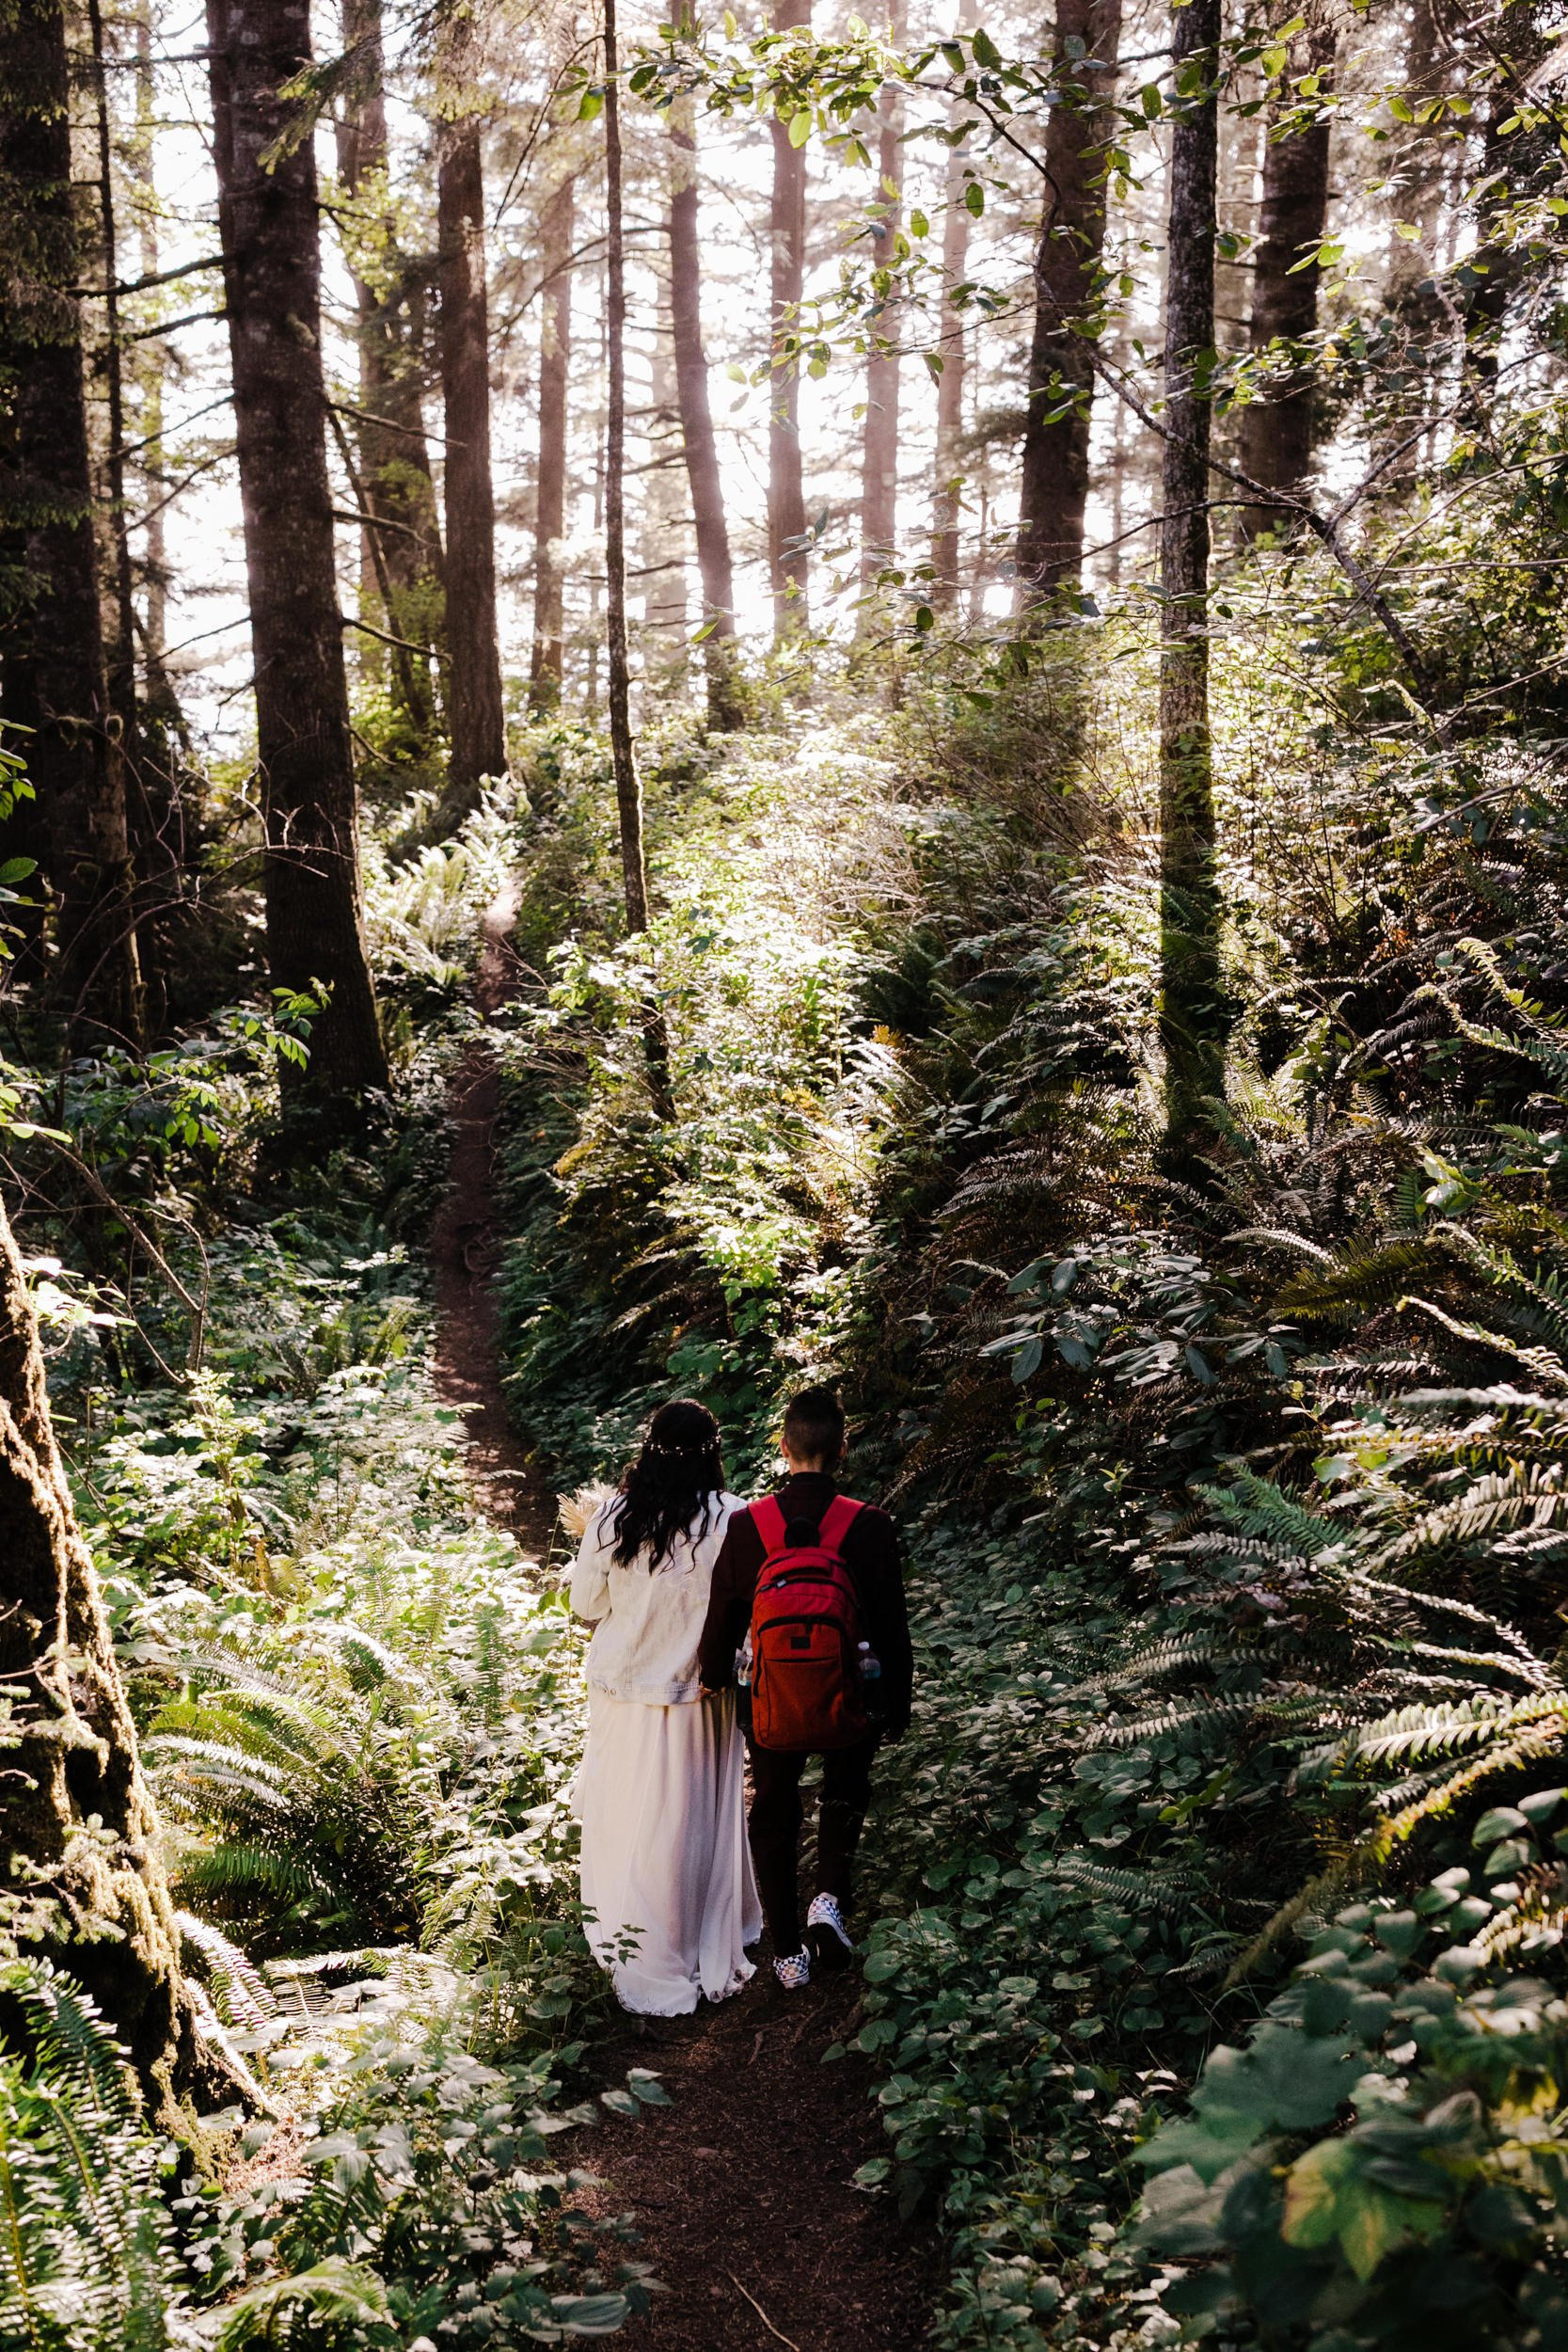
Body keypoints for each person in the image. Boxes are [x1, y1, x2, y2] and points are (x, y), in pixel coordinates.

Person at [698, 1385, 912, 1990]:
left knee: (773, 1809)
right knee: (845, 1789)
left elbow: (723, 1622)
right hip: (853, 1690)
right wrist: (896, 1703)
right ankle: (830, 1897)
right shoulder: (868, 1525)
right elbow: (892, 1629)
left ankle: (788, 1952)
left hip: (772, 1698)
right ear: (841, 1449)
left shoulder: (749, 1526)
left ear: (783, 1447)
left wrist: (715, 1680)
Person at [570, 1398, 762, 2015]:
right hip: (703, 1692)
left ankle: (637, 1939)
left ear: (647, 1448)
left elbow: (585, 1607)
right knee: (693, 1813)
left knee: (629, 1814)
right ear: (714, 1453)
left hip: (624, 1688)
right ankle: (696, 1930)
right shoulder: (736, 1517)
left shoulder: (613, 1517)